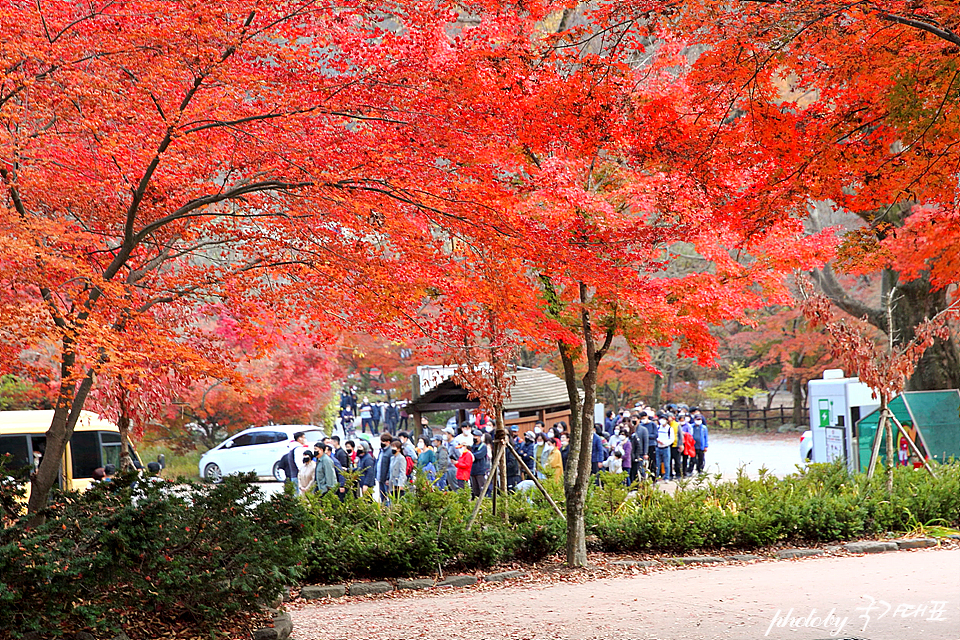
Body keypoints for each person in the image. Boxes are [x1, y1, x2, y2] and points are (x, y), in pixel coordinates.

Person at [469, 429, 488, 498]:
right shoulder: (472, 446)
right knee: (474, 489)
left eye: (476, 436)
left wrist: (470, 455)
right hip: (473, 471)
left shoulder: (483, 446)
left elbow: (478, 455)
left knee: (482, 489)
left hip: (480, 471)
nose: (475, 438)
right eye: (474, 436)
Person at [375, 433, 394, 501]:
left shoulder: (390, 452)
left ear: (388, 442)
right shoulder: (381, 451)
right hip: (380, 477)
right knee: (382, 496)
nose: (381, 443)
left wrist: (388, 478)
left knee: (388, 496)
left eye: (383, 441)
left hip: (386, 479)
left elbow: (390, 466)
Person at [655, 415, 674, 481]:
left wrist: (665, 443)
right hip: (658, 447)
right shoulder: (658, 428)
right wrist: (658, 441)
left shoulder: (669, 429)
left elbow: (671, 439)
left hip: (666, 448)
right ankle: (656, 477)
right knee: (657, 464)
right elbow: (655, 435)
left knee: (666, 464)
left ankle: (667, 477)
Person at [630, 419, 649, 483]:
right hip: (631, 454)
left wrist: (645, 453)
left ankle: (643, 483)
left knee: (641, 469)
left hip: (639, 453)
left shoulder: (643, 430)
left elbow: (645, 442)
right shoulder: (631, 430)